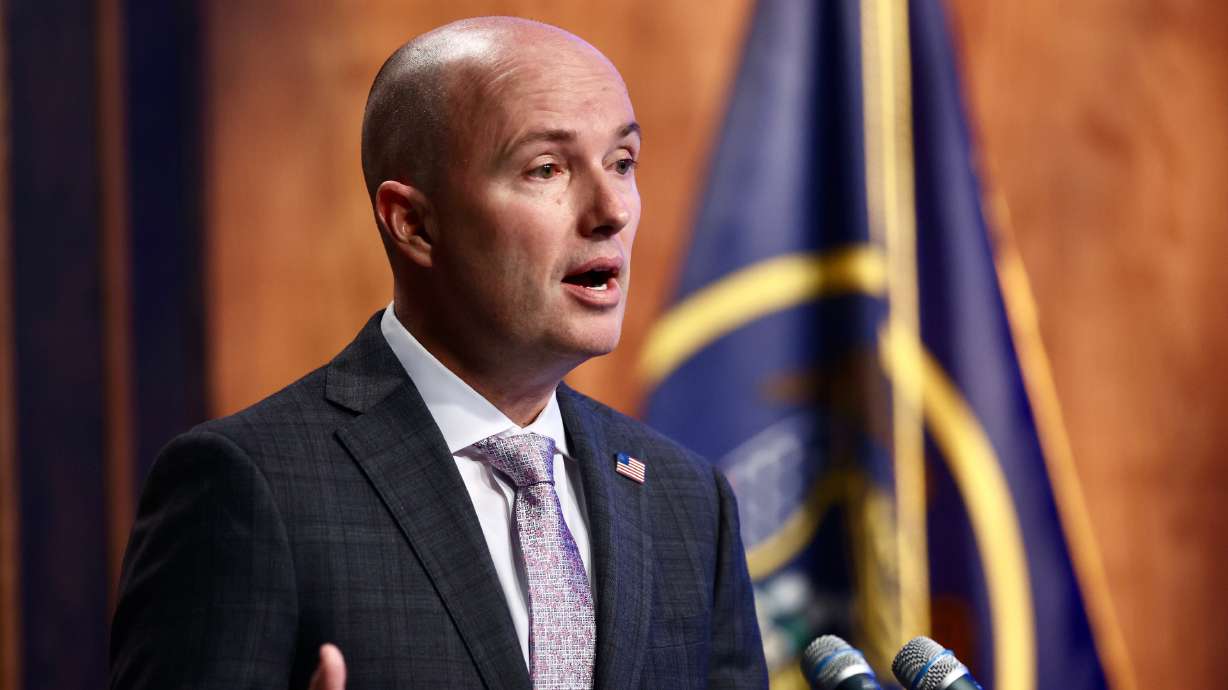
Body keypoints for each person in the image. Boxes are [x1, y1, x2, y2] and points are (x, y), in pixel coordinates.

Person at [109, 16, 766, 690]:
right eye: (546, 168)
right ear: (414, 224)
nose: (611, 210)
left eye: (622, 163)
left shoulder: (686, 500)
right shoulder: (248, 485)